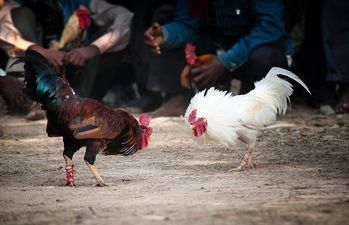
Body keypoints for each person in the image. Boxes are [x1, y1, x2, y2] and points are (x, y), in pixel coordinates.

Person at [145, 0, 292, 117]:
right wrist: (165, 34)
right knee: (165, 15)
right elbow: (187, 24)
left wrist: (225, 61)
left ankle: (255, 103)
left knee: (265, 57)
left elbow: (269, 28)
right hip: (217, 51)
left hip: (251, 53)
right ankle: (182, 96)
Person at [0, 0, 134, 103]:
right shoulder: (16, 5)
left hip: (79, 73)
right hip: (37, 73)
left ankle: (79, 104)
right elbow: (3, 31)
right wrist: (39, 51)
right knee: (19, 15)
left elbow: (126, 18)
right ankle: (32, 99)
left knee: (112, 39)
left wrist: (94, 49)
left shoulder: (80, 2)